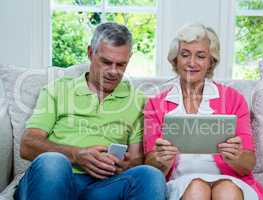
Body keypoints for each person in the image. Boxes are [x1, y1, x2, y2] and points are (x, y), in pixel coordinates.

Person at [14, 22, 166, 200]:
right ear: (90, 53)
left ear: (129, 59)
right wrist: (77, 155)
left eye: (121, 65)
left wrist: (123, 165)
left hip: (102, 188)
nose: (113, 71)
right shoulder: (58, 90)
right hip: (55, 179)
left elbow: (136, 159)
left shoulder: (138, 100)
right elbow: (28, 144)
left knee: (150, 175)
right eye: (106, 62)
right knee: (53, 162)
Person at [143, 22, 263, 200]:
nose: (191, 63)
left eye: (201, 56)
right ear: (175, 59)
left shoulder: (234, 99)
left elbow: (247, 164)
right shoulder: (156, 104)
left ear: (211, 61)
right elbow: (150, 165)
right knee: (197, 187)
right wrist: (162, 160)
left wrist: (235, 156)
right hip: (181, 181)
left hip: (230, 180)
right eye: (185, 55)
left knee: (227, 189)